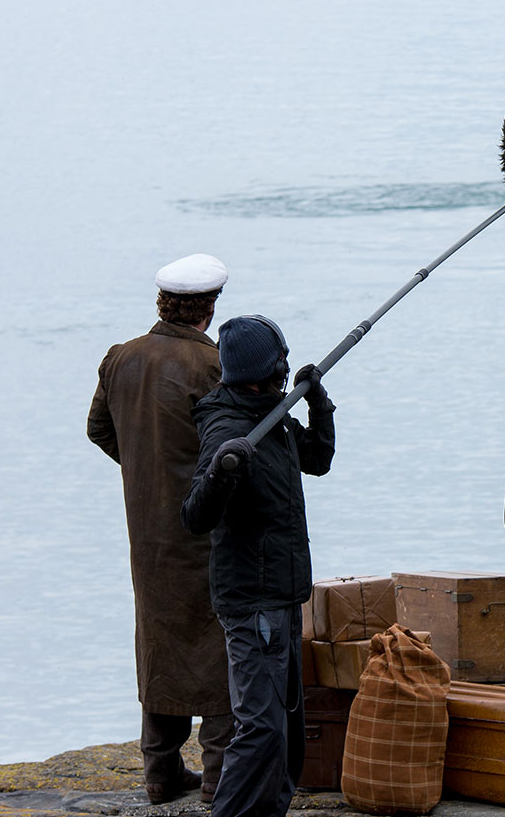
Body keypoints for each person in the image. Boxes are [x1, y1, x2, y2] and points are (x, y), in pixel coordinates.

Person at [86, 253, 233, 805]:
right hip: (206, 529)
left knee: (160, 640)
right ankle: (219, 777)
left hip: (146, 532)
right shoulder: (213, 366)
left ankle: (160, 772)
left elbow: (99, 428)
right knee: (219, 642)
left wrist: (146, 466)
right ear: (211, 306)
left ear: (163, 304)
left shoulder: (121, 358)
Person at [181, 315, 336, 817]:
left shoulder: (275, 415)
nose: (286, 374)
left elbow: (317, 459)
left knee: (287, 726)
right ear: (266, 370)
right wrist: (224, 470)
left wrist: (318, 402)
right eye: (283, 367)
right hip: (254, 602)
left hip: (287, 594)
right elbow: (194, 516)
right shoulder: (227, 426)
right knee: (262, 726)